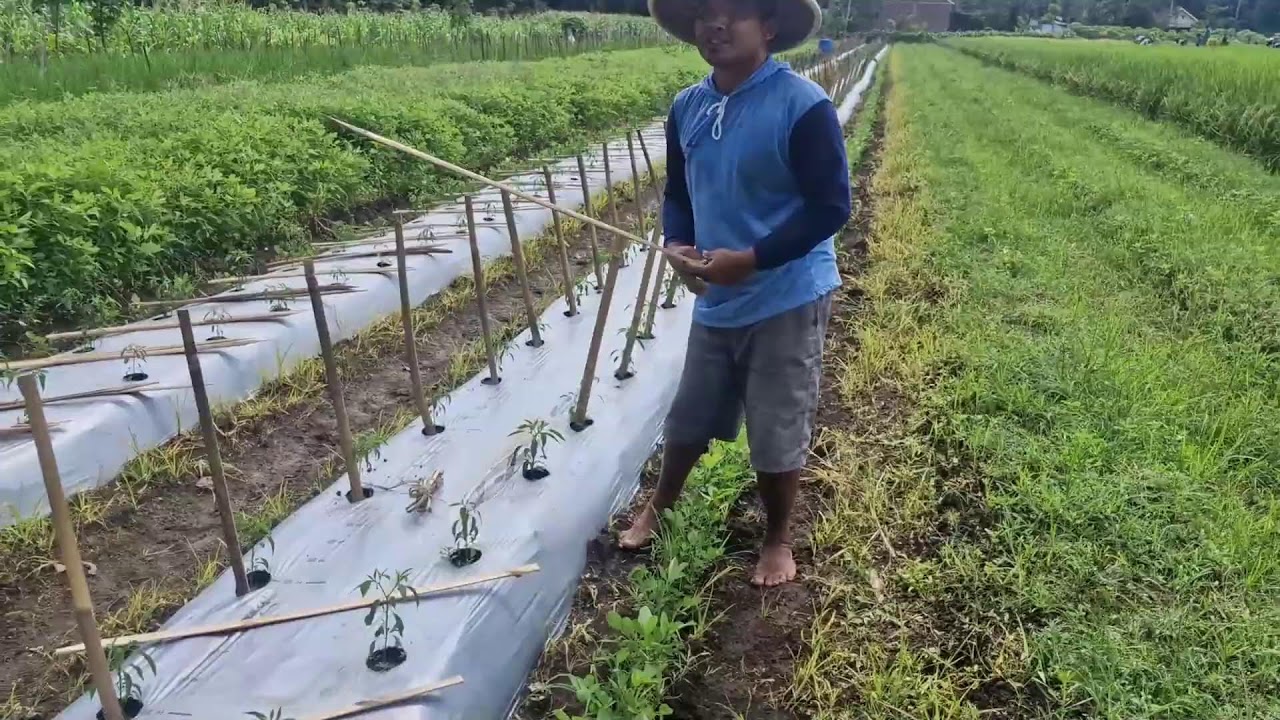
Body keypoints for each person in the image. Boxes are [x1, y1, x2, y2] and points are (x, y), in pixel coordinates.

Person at [619, 0, 851, 587]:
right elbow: (679, 192)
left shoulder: (803, 106)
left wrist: (751, 259)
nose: (715, 25)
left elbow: (831, 207)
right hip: (718, 294)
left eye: (734, 13)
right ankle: (658, 507)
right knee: (691, 413)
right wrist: (678, 242)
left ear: (768, 28)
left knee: (777, 426)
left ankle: (776, 540)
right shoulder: (687, 106)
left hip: (786, 292)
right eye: (704, 14)